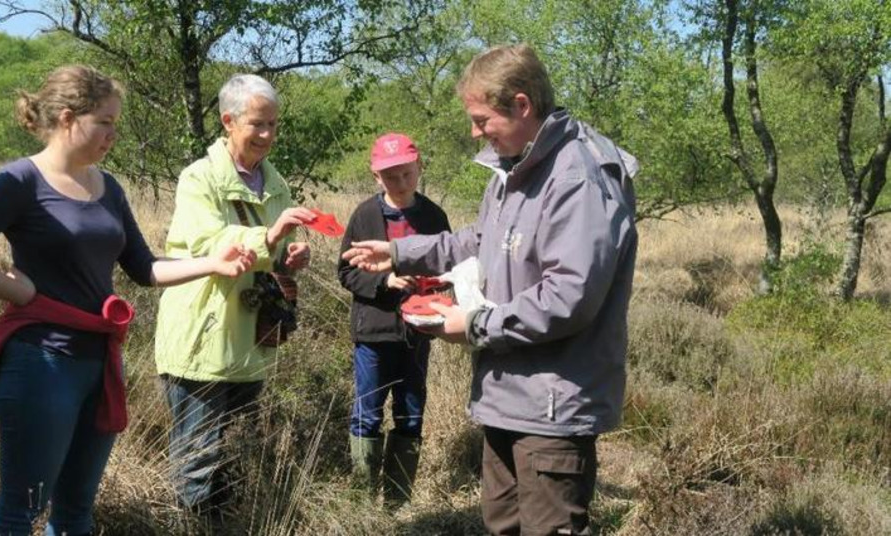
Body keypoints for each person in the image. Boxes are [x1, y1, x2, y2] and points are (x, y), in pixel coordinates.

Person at [0, 65, 257, 536]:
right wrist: (17, 291)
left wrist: (213, 262)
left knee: (76, 514)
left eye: (115, 123)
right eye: (104, 122)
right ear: (68, 118)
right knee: (20, 510)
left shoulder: (109, 188)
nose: (113, 134)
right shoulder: (19, 181)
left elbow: (144, 268)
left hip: (100, 363)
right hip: (41, 364)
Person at [343, 44, 638, 535]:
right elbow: (479, 240)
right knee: (503, 524)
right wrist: (398, 253)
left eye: (481, 119)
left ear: (521, 105)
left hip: (552, 406)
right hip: (508, 395)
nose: (474, 132)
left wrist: (474, 325)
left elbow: (568, 298)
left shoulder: (577, 177)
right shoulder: (513, 167)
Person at [153, 73, 314, 517]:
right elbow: (209, 242)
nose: (267, 134)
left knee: (233, 456)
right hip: (203, 342)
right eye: (257, 124)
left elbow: (269, 255)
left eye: (273, 125)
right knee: (197, 460)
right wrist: (272, 234)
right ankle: (192, 527)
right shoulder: (198, 178)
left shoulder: (274, 183)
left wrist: (288, 256)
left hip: (250, 342)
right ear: (229, 121)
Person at [338, 133, 451, 507]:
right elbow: (347, 272)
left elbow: (449, 266)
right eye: (390, 177)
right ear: (376, 177)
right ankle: (362, 503)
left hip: (418, 332)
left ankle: (397, 505)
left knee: (411, 414)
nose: (400, 183)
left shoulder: (434, 216)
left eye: (406, 174)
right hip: (374, 332)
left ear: (419, 168)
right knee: (367, 415)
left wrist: (432, 283)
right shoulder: (364, 215)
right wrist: (385, 280)